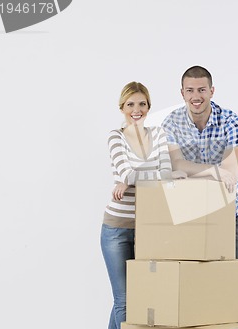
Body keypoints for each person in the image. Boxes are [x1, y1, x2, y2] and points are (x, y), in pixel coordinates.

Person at [100, 81, 185, 329]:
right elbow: (127, 174)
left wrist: (133, 178)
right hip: (116, 228)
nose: (136, 109)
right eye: (130, 104)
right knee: (124, 300)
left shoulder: (158, 134)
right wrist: (136, 177)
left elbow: (167, 173)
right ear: (122, 107)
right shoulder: (115, 137)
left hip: (148, 227)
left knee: (137, 297)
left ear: (148, 107)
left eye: (142, 104)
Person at [161, 65, 238, 259]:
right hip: (192, 208)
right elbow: (175, 163)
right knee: (195, 276)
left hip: (232, 208)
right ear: (182, 93)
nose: (196, 96)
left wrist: (193, 171)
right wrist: (212, 170)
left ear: (212, 91)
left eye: (202, 90)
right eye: (190, 90)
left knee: (230, 275)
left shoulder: (231, 122)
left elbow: (231, 174)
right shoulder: (171, 122)